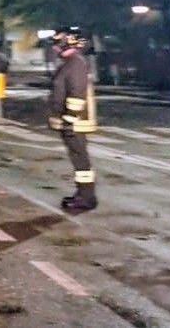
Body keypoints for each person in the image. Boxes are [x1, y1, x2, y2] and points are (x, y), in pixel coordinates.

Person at [48, 28, 98, 212]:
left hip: (75, 122)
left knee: (81, 160)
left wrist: (69, 120)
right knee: (78, 159)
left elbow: (77, 94)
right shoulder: (71, 63)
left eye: (57, 45)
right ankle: (83, 194)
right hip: (73, 122)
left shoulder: (75, 64)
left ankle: (86, 197)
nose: (54, 49)